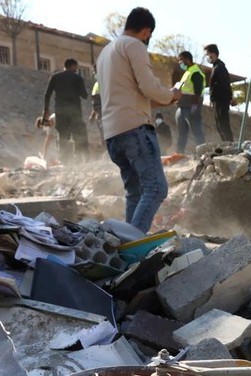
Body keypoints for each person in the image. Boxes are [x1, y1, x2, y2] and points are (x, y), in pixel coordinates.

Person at [96, 7, 181, 233]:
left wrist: (162, 99)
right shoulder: (134, 46)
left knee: (134, 192)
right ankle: (133, 243)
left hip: (113, 134)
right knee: (156, 188)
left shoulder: (105, 53)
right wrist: (172, 94)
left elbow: (132, 92)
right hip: (135, 128)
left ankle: (126, 243)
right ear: (146, 31)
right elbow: (149, 86)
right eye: (149, 36)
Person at [43, 58, 89, 163]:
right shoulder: (78, 78)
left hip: (60, 110)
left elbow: (47, 94)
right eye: (76, 67)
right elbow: (84, 95)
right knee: (77, 134)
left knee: (63, 134)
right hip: (75, 111)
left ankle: (64, 159)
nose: (76, 70)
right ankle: (78, 159)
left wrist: (45, 109)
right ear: (72, 66)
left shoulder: (55, 77)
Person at [175, 51, 206, 154]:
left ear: (187, 60)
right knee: (182, 133)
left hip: (190, 107)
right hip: (182, 107)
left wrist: (194, 105)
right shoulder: (187, 72)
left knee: (197, 132)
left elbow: (198, 89)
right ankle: (179, 153)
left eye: (181, 60)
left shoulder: (195, 72)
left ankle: (203, 153)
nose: (180, 62)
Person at [204, 44, 234, 142]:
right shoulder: (216, 67)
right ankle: (226, 144)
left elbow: (225, 84)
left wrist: (230, 98)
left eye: (207, 54)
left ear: (213, 54)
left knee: (223, 124)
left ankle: (229, 144)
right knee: (220, 125)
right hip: (217, 101)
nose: (207, 57)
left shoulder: (220, 67)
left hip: (221, 101)